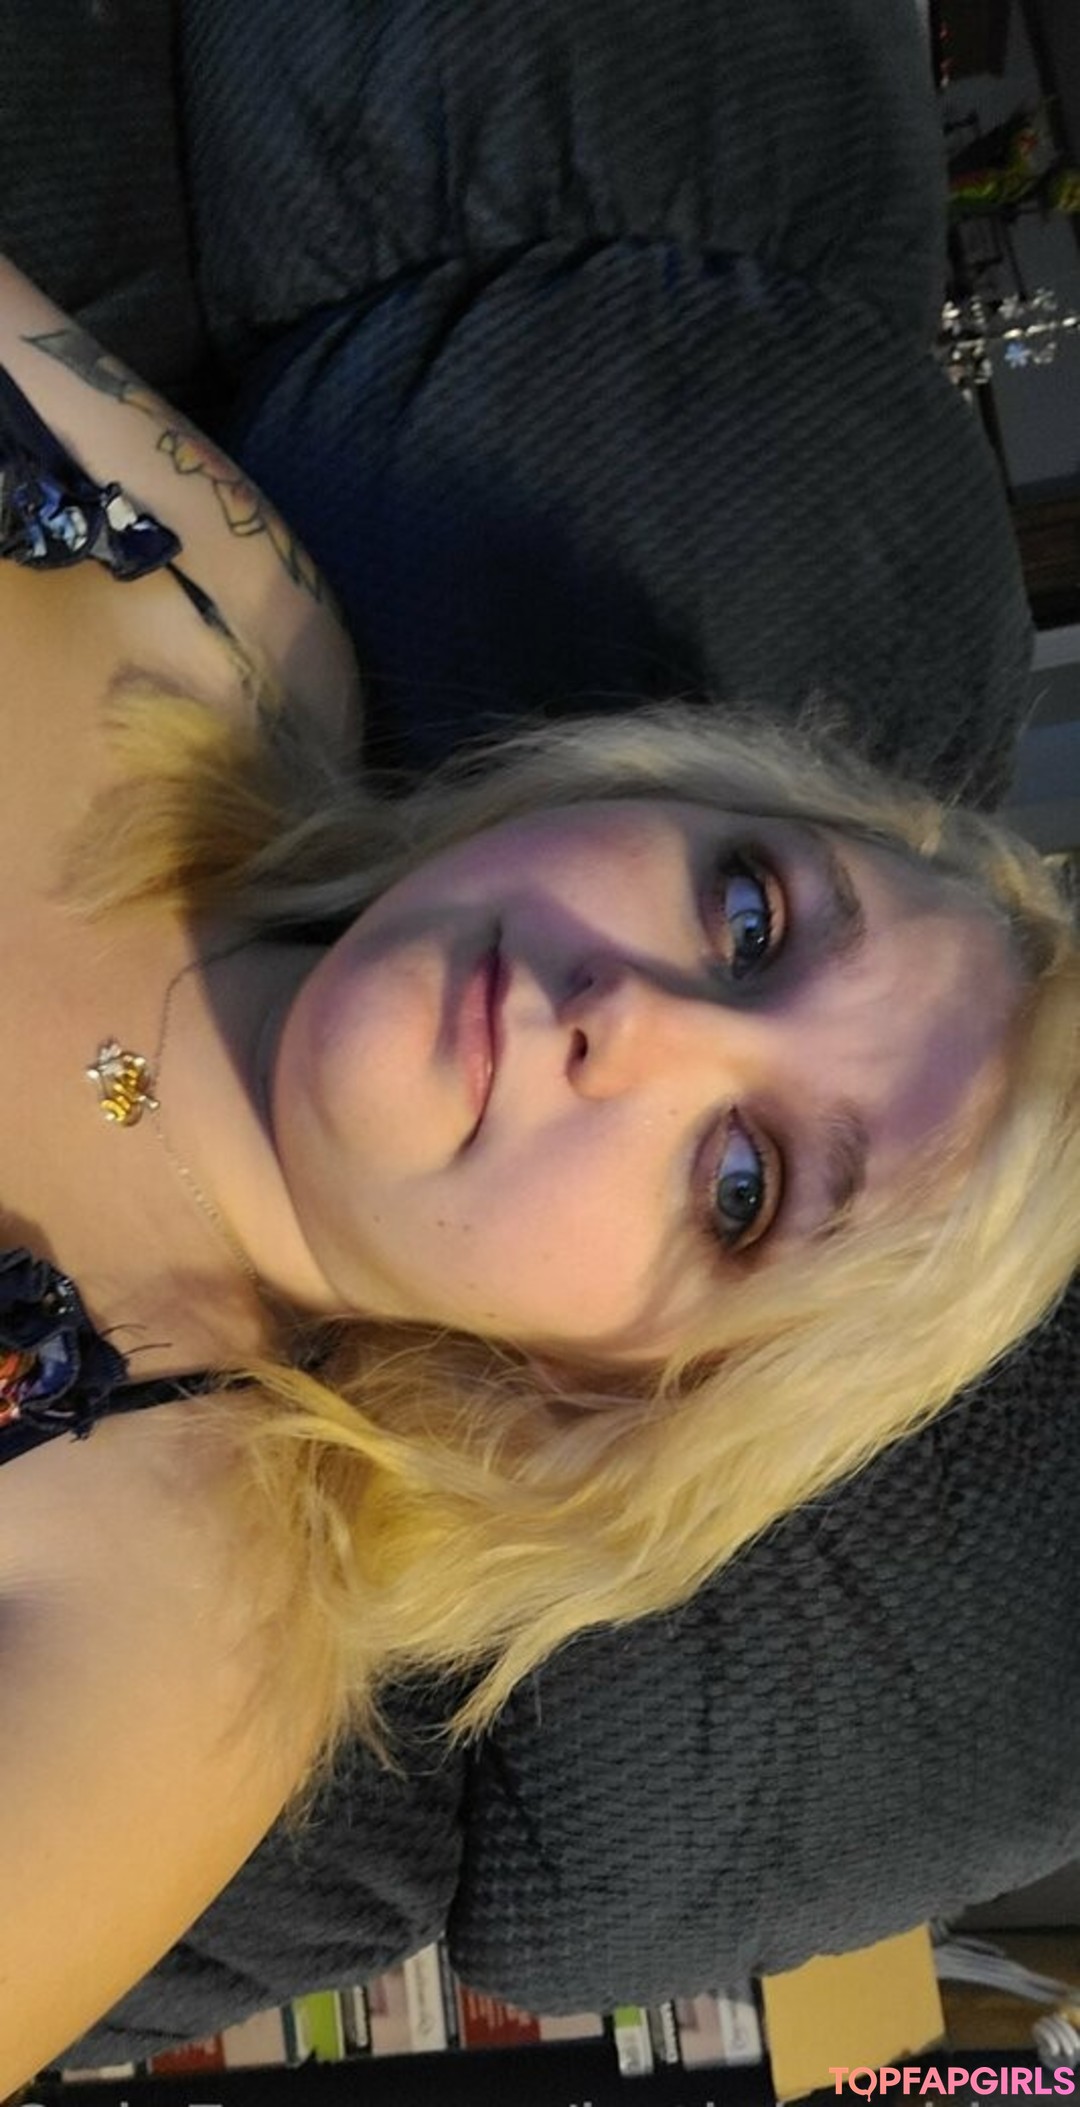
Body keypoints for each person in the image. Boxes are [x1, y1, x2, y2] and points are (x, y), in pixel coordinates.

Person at [0, 245, 1077, 2092]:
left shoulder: (184, 1644)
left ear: (624, 1393)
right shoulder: (228, 610)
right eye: (751, 917)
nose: (632, 1018)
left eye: (743, 1189)